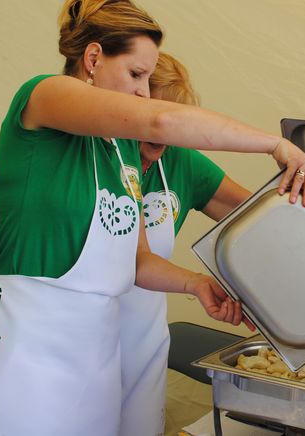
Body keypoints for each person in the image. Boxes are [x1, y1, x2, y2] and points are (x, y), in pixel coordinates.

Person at [0, 1, 305, 435]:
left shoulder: (122, 150)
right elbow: (161, 121)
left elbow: (136, 260)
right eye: (136, 74)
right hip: (32, 344)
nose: (145, 91)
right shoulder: (43, 94)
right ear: (92, 59)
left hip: (99, 349)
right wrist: (272, 145)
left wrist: (197, 283)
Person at [119, 52, 253, 435]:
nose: (164, 134)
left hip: (143, 337)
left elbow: (256, 218)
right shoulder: (90, 155)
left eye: (176, 123)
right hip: (79, 333)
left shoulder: (182, 162)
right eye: (157, 118)